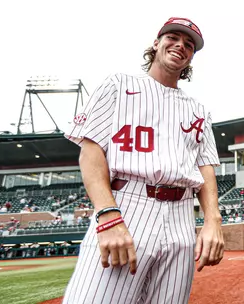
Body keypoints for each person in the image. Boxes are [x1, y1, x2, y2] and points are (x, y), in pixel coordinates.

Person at [62, 17, 224, 304]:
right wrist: (107, 215)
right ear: (156, 43)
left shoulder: (199, 111)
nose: (180, 46)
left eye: (189, 45)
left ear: (191, 59)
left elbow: (205, 167)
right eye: (173, 38)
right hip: (128, 205)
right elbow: (90, 151)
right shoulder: (118, 86)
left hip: (181, 218)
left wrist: (213, 221)